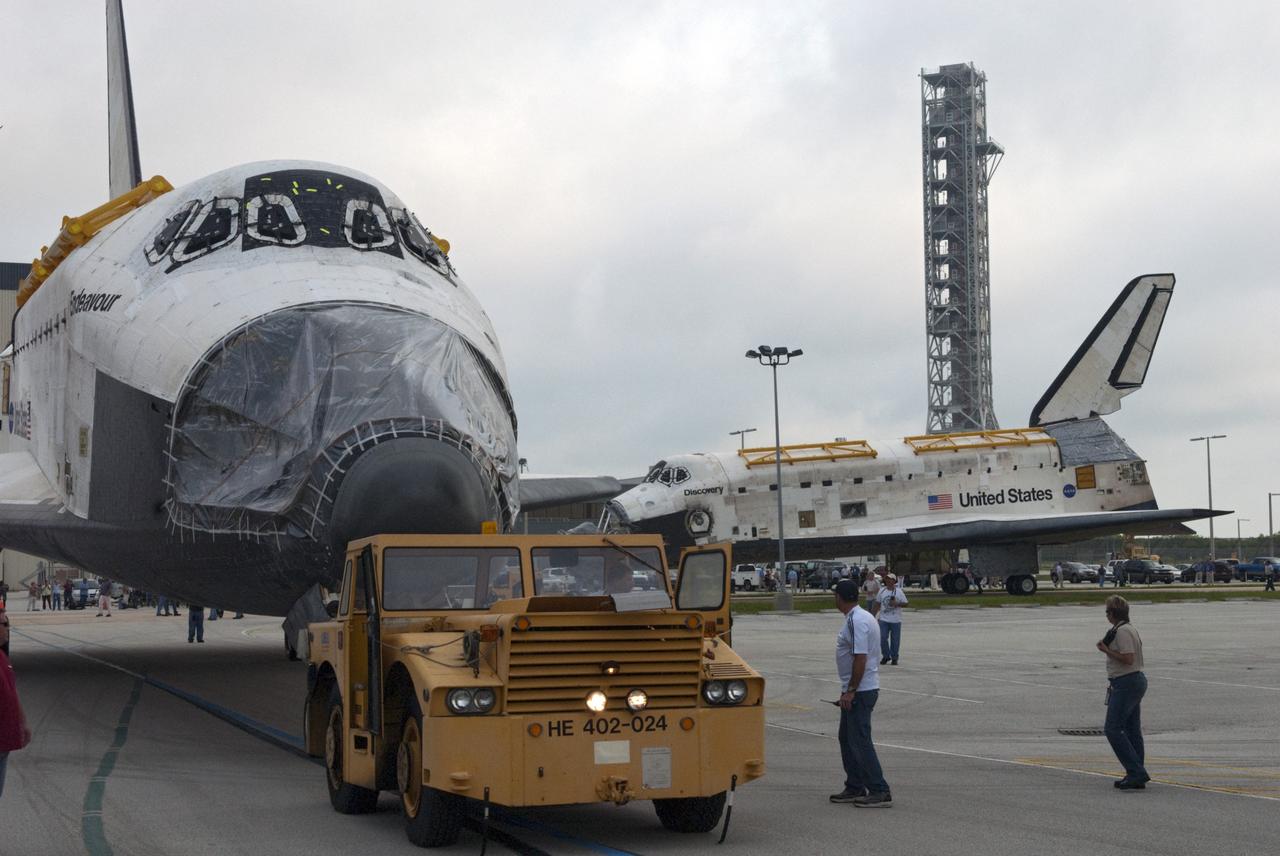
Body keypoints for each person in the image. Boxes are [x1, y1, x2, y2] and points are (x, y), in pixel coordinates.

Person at [829, 579, 891, 807]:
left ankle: (879, 789)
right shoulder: (861, 617)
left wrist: (851, 691)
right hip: (857, 689)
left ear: (840, 598)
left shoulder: (856, 620)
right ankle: (855, 785)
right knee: (846, 738)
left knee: (860, 740)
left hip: (861, 691)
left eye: (835, 595)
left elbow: (860, 657)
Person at [1096, 595, 1148, 790]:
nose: (1106, 615)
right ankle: (1136, 772)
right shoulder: (1125, 628)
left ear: (1113, 613)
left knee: (1112, 728)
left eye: (1107, 612)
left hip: (1126, 681)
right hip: (1131, 681)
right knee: (1132, 729)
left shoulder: (1123, 632)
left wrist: (1106, 651)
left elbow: (1128, 658)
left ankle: (1136, 771)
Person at [1, 613, 34, 798]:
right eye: (4, 624)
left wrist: (22, 722)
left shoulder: (2, 657)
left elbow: (12, 693)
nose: (8, 628)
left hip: (4, 742)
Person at [876, 574, 908, 665]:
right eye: (887, 579)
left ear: (894, 581)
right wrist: (872, 616)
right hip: (883, 619)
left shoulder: (899, 591)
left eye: (890, 579)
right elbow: (877, 604)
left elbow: (906, 603)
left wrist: (896, 603)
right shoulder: (882, 591)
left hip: (896, 620)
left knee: (895, 640)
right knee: (882, 637)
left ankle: (894, 657)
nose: (888, 581)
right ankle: (886, 655)